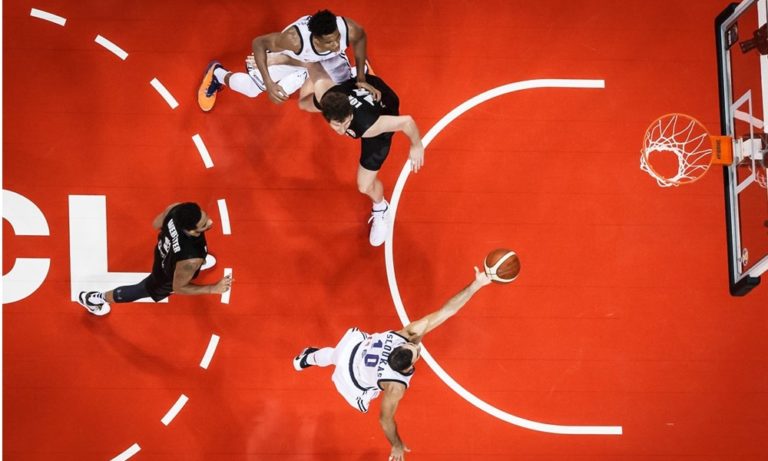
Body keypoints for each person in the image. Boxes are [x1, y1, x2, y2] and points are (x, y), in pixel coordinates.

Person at [293, 267, 492, 460]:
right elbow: (385, 419)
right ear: (408, 367)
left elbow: (446, 311)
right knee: (336, 358)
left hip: (355, 349)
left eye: (413, 347)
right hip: (354, 377)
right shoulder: (395, 386)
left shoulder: (407, 334)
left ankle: (307, 358)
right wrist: (396, 444)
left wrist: (476, 285)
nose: (417, 348)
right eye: (416, 353)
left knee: (334, 355)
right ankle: (308, 357)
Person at [307, 64, 424, 246]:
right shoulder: (326, 96)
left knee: (364, 185)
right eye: (337, 125)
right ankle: (360, 74)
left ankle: (381, 208)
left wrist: (416, 145)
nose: (342, 131)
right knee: (305, 104)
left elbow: (406, 122)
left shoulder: (369, 127)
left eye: (346, 124)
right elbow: (309, 61)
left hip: (381, 114)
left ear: (350, 114)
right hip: (361, 90)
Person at [197, 9, 380, 112]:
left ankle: (360, 71)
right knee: (251, 89)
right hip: (293, 58)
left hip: (320, 61)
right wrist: (270, 82)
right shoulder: (294, 40)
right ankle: (216, 73)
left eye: (337, 38)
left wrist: (362, 79)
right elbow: (258, 43)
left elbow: (360, 39)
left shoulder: (348, 28)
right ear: (316, 39)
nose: (336, 45)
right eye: (329, 42)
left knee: (346, 91)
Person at [76, 202, 233, 316]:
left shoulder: (176, 209)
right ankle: (94, 299)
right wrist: (212, 289)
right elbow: (179, 288)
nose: (210, 222)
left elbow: (156, 224)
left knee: (190, 260)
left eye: (206, 216)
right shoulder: (190, 260)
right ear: (191, 231)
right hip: (165, 277)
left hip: (165, 251)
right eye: (204, 224)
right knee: (141, 290)